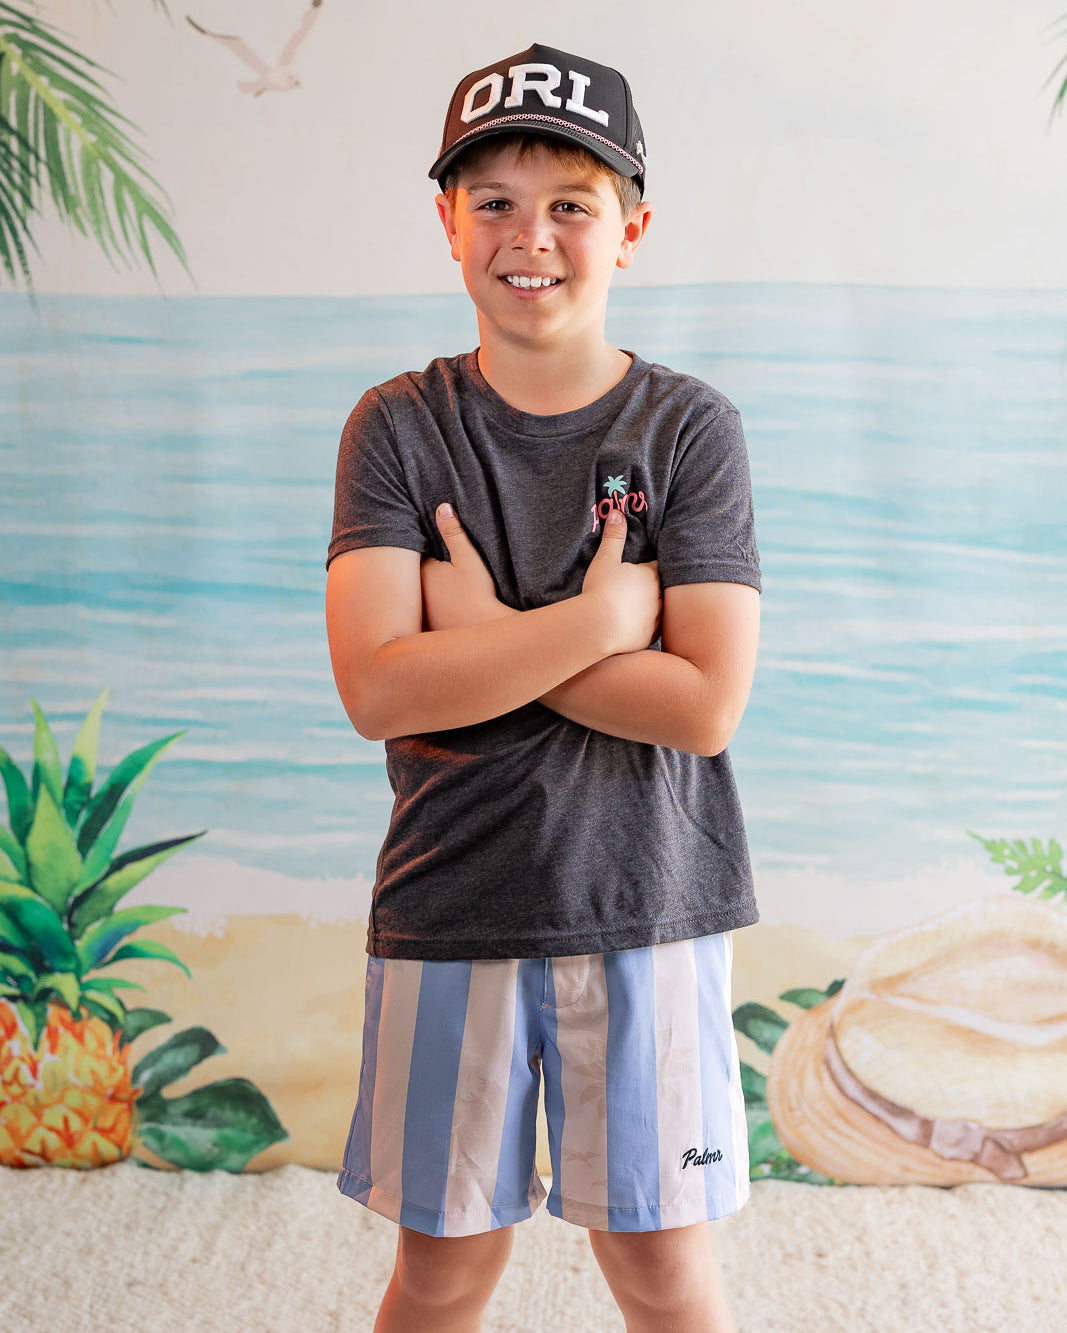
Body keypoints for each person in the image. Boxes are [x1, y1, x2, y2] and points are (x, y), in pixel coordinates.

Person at [324, 41, 762, 1333]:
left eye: (570, 202)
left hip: (651, 906)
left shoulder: (688, 429)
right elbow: (379, 689)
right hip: (449, 908)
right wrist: (595, 620)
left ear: (629, 226)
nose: (532, 236)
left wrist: (497, 637)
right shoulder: (398, 426)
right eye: (496, 201)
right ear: (447, 220)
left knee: (664, 1271)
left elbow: (705, 703)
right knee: (444, 1270)